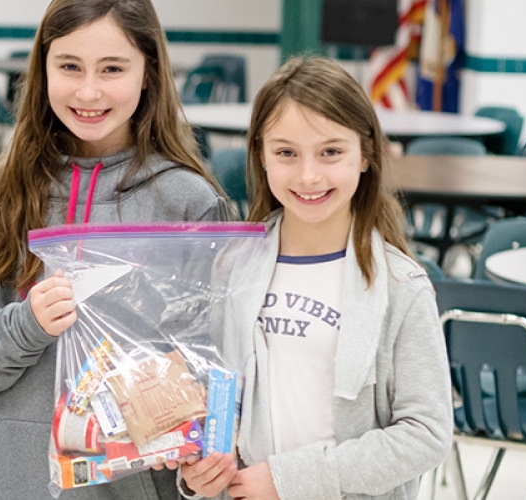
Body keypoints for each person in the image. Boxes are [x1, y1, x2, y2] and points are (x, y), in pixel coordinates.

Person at [0, 0, 231, 498]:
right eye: (70, 67)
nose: (88, 91)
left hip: (138, 484)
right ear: (43, 70)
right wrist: (27, 323)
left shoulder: (190, 204)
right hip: (15, 483)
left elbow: (214, 369)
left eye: (113, 69)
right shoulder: (0, 199)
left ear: (148, 73)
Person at [173, 55, 454, 500]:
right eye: (286, 152)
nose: (308, 175)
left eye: (330, 152)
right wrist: (200, 468)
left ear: (365, 155)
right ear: (261, 157)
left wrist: (290, 479)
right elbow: (217, 397)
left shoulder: (402, 287)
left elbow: (426, 433)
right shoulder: (232, 265)